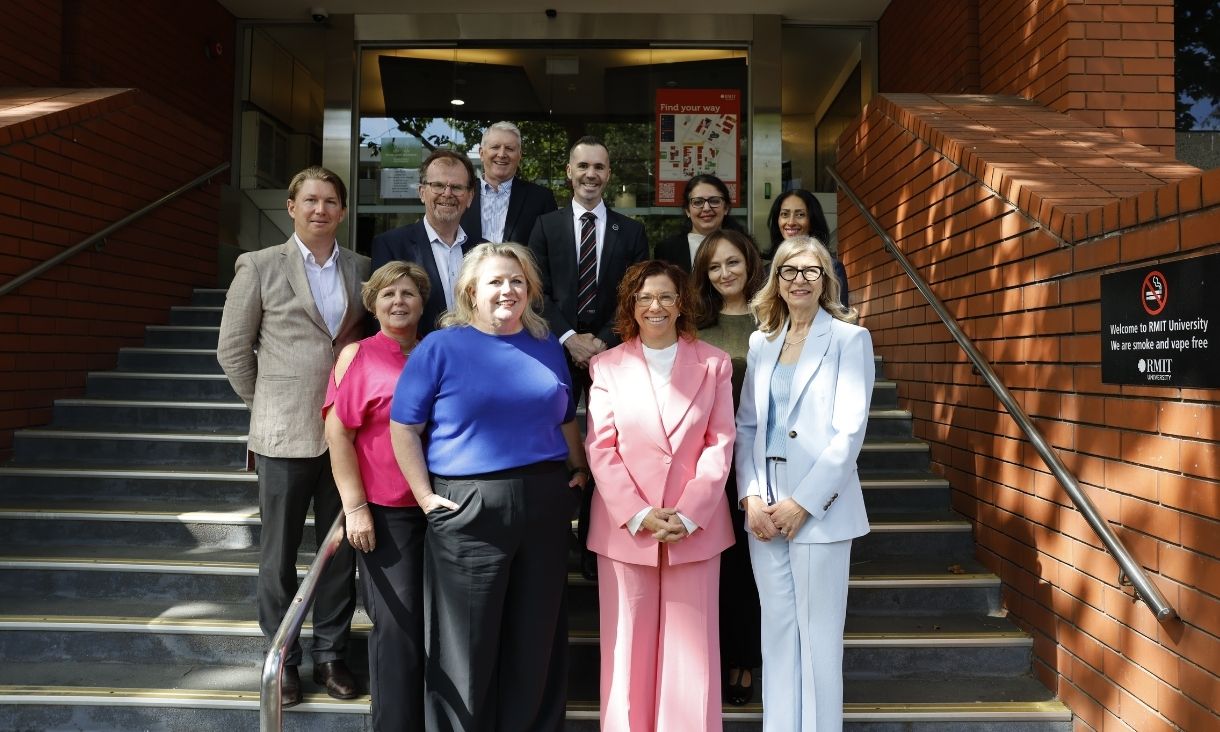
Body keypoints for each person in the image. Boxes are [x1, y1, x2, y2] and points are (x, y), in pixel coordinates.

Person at [388, 242, 591, 732]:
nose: (508, 290)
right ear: (471, 291)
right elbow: (403, 427)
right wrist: (422, 495)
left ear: (531, 291)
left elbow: (564, 419)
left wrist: (580, 469)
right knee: (467, 643)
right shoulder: (440, 346)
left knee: (536, 636)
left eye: (517, 281)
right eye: (496, 281)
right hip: (468, 506)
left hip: (543, 501)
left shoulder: (546, 345)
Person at [216, 165, 367, 706]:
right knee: (278, 558)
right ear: (291, 206)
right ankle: (282, 658)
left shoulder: (361, 269)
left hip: (345, 438)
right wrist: (265, 406)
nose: (320, 209)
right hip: (282, 435)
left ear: (343, 211)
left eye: (330, 201)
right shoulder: (258, 266)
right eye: (310, 200)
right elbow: (232, 349)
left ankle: (331, 656)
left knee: (339, 554)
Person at [585, 259, 736, 732]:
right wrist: (641, 513)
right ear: (631, 304)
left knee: (691, 655)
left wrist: (689, 513)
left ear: (681, 303)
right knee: (627, 648)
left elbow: (721, 442)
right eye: (645, 297)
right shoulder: (606, 366)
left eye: (667, 296)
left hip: (695, 529)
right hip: (626, 529)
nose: (656, 306)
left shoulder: (714, 363)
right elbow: (600, 447)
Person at [735, 235, 875, 731]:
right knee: (776, 636)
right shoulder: (761, 340)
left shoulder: (848, 339)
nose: (799, 280)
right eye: (789, 271)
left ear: (825, 280)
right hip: (764, 502)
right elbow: (747, 426)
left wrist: (804, 503)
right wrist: (750, 494)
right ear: (776, 279)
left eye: (810, 271)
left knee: (818, 643)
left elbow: (849, 433)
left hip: (818, 507)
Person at [528, 135, 648, 579]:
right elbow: (533, 288)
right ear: (569, 172)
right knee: (555, 447)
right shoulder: (545, 226)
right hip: (555, 352)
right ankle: (553, 543)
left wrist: (600, 339)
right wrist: (569, 337)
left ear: (609, 174)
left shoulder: (630, 231)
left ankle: (600, 548)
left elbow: (635, 293)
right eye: (583, 167)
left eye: (599, 167)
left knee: (611, 446)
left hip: (613, 354)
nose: (591, 175)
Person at [323, 261, 430, 730]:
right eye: (388, 294)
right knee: (397, 628)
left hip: (443, 509)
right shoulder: (359, 356)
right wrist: (355, 508)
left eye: (407, 293)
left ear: (423, 301)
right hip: (387, 513)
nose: (398, 302)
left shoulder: (436, 352)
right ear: (373, 303)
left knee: (435, 629)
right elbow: (337, 435)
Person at [689, 228, 766, 706]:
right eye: (714, 266)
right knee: (719, 567)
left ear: (750, 263)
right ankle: (717, 656)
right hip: (709, 462)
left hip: (759, 461)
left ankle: (745, 660)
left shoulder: (772, 319)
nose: (724, 273)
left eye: (732, 263)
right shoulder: (696, 325)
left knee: (751, 568)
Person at [371, 149, 478, 336]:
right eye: (438, 185)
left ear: (469, 197)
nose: (447, 193)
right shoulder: (391, 246)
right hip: (416, 358)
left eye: (457, 187)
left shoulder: (482, 250)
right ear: (422, 193)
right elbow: (381, 315)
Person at [460, 121, 559, 244]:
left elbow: (552, 248)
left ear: (519, 155)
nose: (501, 154)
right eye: (495, 147)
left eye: (509, 148)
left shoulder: (541, 199)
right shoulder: (460, 192)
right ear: (481, 153)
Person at [766, 189, 850, 306]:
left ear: (812, 220)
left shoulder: (833, 268)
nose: (791, 222)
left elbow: (841, 316)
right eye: (784, 214)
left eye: (800, 214)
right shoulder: (766, 271)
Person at [655, 173, 743, 273]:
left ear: (726, 208)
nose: (706, 208)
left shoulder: (742, 245)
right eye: (697, 202)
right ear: (687, 210)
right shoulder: (667, 250)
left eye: (714, 201)